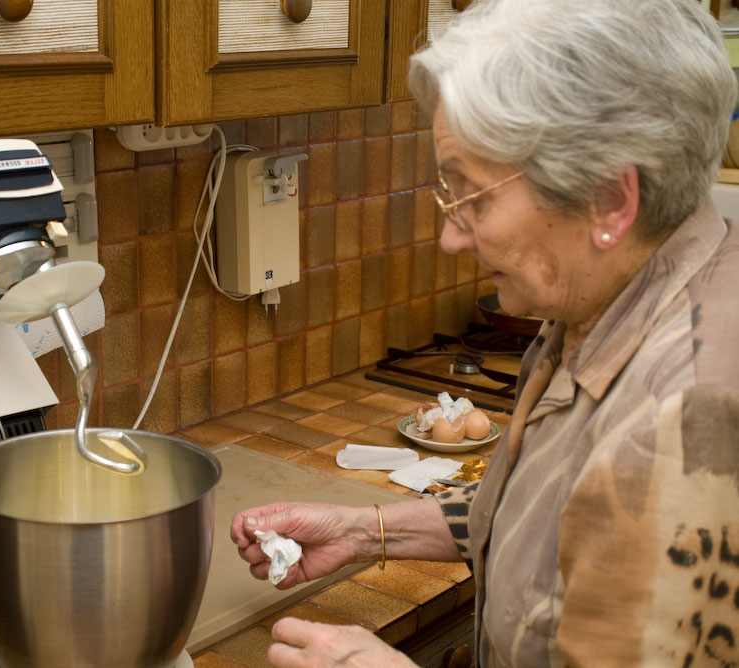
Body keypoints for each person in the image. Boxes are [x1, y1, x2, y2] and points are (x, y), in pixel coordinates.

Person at [230, 0, 739, 666]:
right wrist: (367, 532)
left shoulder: (678, 428)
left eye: (472, 195)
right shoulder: (604, 301)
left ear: (610, 201)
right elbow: (562, 514)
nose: (449, 236)